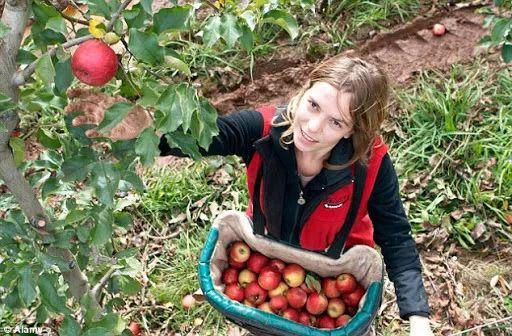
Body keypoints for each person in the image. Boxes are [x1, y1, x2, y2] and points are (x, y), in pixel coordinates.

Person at [66, 56, 434, 335]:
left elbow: (396, 238)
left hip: (337, 271)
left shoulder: (370, 164)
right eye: (313, 105)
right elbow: (205, 137)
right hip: (265, 260)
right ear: (303, 91)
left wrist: (417, 316)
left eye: (336, 122)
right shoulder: (262, 131)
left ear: (354, 131)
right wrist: (147, 131)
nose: (312, 126)